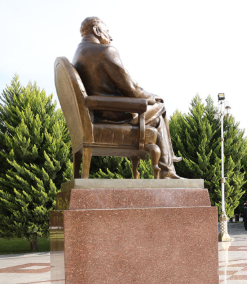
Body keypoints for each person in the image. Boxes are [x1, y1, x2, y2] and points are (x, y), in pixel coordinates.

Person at [72, 17, 182, 179]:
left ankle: (168, 168)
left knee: (156, 117)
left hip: (98, 114)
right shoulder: (105, 52)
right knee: (161, 105)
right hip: (116, 116)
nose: (111, 37)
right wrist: (153, 97)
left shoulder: (79, 55)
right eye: (107, 32)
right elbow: (133, 90)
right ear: (97, 31)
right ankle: (167, 169)